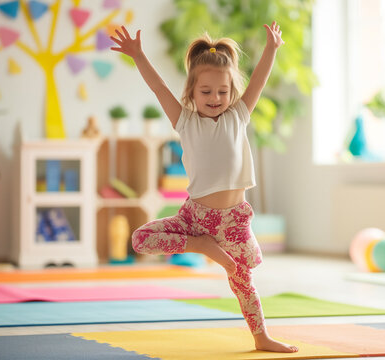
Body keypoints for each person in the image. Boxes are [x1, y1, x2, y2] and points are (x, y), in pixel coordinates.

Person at [110, 22, 297, 353]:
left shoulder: (239, 115)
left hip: (234, 220)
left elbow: (259, 81)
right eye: (206, 92)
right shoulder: (185, 121)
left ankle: (261, 337)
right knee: (139, 239)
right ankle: (200, 246)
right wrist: (138, 55)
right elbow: (157, 87)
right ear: (192, 92)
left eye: (223, 92)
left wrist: (271, 48)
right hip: (195, 218)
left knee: (243, 280)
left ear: (232, 92)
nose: (215, 98)